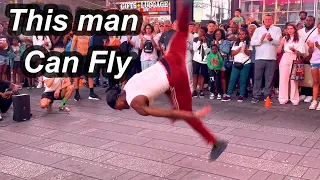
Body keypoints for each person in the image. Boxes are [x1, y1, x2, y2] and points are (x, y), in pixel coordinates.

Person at [106, 6, 228, 161]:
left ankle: (215, 143)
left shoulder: (136, 104)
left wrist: (189, 114)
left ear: (118, 99)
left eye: (119, 107)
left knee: (186, 114)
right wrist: (173, 104)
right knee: (182, 33)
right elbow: (157, 84)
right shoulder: (127, 84)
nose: (122, 109)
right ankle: (185, 6)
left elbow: (167, 112)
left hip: (175, 76)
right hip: (170, 58)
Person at [250, 14, 282, 103]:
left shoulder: (277, 29)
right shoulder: (258, 30)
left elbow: (279, 42)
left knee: (269, 78)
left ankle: (267, 95)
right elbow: (252, 42)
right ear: (263, 21)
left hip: (271, 57)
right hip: (259, 57)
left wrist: (271, 39)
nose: (268, 21)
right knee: (257, 78)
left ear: (272, 20)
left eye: (269, 19)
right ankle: (256, 96)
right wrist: (260, 39)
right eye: (266, 19)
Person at [277, 24, 305, 106]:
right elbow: (278, 51)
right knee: (283, 79)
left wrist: (294, 50)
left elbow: (302, 53)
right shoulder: (285, 38)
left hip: (294, 58)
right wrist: (281, 44)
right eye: (288, 29)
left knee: (293, 80)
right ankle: (283, 98)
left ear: (295, 29)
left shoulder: (300, 39)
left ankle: (294, 98)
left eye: (291, 28)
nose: (289, 30)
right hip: (285, 57)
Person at [222, 28, 252, 102]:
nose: (241, 36)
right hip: (236, 63)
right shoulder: (236, 43)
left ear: (245, 35)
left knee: (243, 80)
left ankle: (241, 95)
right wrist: (238, 50)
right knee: (232, 79)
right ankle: (228, 94)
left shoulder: (248, 43)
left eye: (242, 34)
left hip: (245, 63)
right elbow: (232, 53)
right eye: (240, 34)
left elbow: (249, 54)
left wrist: (245, 49)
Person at [307, 22, 320, 110]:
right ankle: (314, 101)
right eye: (318, 28)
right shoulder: (314, 37)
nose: (319, 30)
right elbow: (310, 52)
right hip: (315, 61)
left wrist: (318, 46)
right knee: (315, 82)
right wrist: (310, 48)